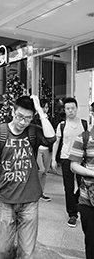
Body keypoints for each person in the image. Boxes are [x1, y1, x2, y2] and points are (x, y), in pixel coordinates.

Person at [0, 95, 56, 259]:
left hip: (30, 200)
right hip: (6, 200)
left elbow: (51, 138)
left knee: (27, 253)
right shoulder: (0, 132)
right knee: (3, 250)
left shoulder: (32, 131)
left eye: (28, 118)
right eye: (20, 117)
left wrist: (40, 111)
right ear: (13, 111)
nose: (23, 122)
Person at [51, 97, 88, 228]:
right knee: (68, 187)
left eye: (73, 108)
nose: (70, 111)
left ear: (76, 109)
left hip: (81, 160)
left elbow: (87, 142)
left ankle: (77, 203)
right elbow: (56, 142)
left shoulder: (84, 123)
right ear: (65, 110)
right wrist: (53, 159)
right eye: (68, 109)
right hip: (66, 158)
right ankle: (72, 214)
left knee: (83, 184)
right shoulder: (62, 125)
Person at [69, 126, 94, 259]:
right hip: (88, 201)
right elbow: (73, 165)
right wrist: (92, 173)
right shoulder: (83, 138)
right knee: (91, 244)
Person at [32, 99, 52, 202]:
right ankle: (36, 191)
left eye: (47, 107)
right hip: (39, 148)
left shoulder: (50, 119)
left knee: (45, 172)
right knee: (41, 170)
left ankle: (41, 192)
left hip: (48, 149)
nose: (46, 109)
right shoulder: (35, 119)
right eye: (45, 107)